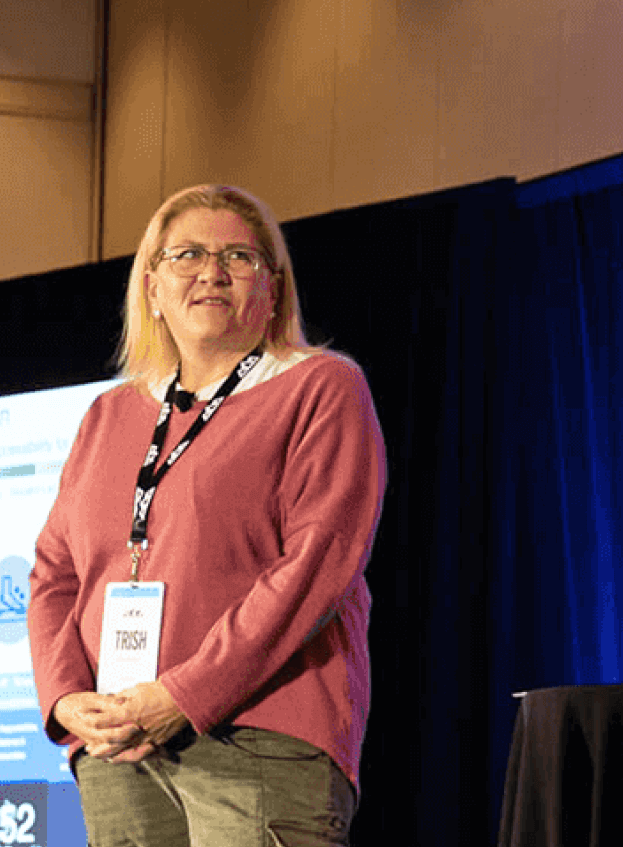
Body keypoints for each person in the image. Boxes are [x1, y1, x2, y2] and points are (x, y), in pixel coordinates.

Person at [28, 184, 386, 846]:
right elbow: (54, 577)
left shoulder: (320, 388)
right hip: (118, 749)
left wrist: (185, 694)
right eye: (187, 254)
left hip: (259, 738)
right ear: (153, 288)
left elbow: (315, 566)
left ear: (274, 290)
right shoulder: (110, 416)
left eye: (240, 257)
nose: (212, 272)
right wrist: (67, 699)